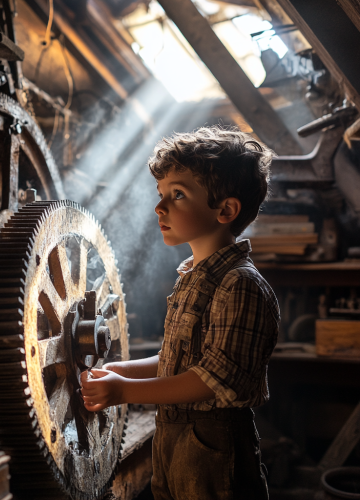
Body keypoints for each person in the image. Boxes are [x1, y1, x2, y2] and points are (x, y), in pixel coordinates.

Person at [80, 126, 281, 500]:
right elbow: (179, 361)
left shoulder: (240, 285)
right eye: (161, 194)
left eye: (178, 195)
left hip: (215, 445)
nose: (160, 207)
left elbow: (211, 379)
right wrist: (122, 370)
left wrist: (126, 391)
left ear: (226, 210)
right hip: (173, 436)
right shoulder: (192, 276)